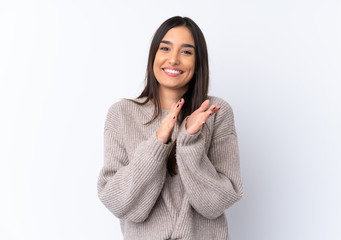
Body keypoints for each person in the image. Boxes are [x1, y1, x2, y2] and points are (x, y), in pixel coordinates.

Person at [97, 16, 243, 240]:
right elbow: (120, 203)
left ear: (198, 62)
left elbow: (215, 204)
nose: (173, 59)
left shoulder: (216, 112)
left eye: (186, 52)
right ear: (154, 55)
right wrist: (158, 143)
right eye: (165, 48)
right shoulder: (121, 114)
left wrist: (190, 141)